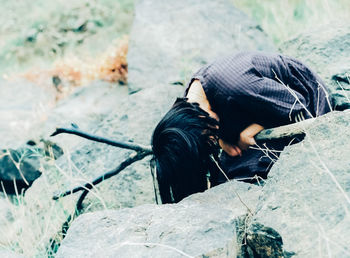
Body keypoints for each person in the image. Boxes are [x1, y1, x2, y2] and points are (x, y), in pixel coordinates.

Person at [151, 51, 331, 204]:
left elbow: (295, 105)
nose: (212, 142)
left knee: (247, 176)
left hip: (306, 101)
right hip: (261, 109)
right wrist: (223, 140)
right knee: (223, 180)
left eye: (209, 139)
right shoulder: (191, 104)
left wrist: (251, 130)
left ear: (199, 119)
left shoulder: (235, 87)